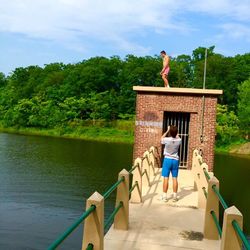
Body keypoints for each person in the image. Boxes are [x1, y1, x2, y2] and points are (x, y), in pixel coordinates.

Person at [160, 125, 181, 202]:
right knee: (175, 178)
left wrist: (167, 130)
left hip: (167, 160)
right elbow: (177, 136)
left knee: (166, 178)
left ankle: (164, 196)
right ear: (176, 132)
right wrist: (175, 131)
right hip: (175, 160)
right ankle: (175, 196)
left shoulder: (166, 139)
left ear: (170, 132)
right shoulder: (179, 140)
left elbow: (161, 138)